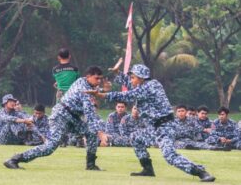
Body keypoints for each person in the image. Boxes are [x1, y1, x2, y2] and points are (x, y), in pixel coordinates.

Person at [86, 63, 215, 182]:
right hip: (155, 128)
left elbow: (127, 96)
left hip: (165, 127)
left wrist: (102, 95)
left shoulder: (148, 87)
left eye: (133, 77)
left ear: (141, 78)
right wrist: (118, 73)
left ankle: (201, 172)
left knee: (169, 156)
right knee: (136, 138)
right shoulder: (145, 85)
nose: (131, 79)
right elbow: (130, 85)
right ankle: (148, 169)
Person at [4, 66, 108, 171]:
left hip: (73, 117)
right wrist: (100, 131)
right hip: (61, 116)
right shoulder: (84, 90)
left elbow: (95, 91)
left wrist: (105, 90)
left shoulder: (83, 81)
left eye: (100, 79)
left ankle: (91, 165)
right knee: (50, 147)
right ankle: (14, 160)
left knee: (91, 134)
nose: (99, 81)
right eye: (96, 78)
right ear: (88, 76)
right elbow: (89, 114)